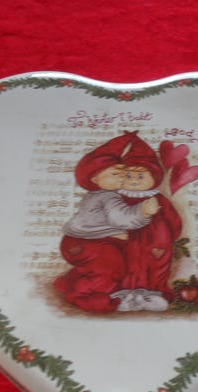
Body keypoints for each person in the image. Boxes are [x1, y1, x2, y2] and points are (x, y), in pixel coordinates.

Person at [54, 131, 158, 313]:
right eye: (115, 173)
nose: (121, 177)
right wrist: (143, 211)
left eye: (122, 173)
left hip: (77, 242)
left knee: (93, 266)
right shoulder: (108, 196)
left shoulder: (94, 195)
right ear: (95, 179)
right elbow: (121, 219)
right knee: (111, 268)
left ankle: (67, 283)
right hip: (92, 244)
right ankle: (82, 296)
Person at [117, 133, 182, 311]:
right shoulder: (118, 199)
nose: (133, 181)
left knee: (155, 266)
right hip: (128, 239)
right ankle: (128, 295)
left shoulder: (159, 199)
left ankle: (153, 294)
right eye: (128, 175)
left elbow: (173, 219)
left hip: (156, 242)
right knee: (128, 264)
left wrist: (170, 237)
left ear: (154, 177)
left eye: (140, 176)